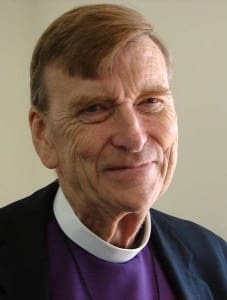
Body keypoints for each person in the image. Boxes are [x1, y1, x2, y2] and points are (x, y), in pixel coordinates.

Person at [0, 4, 226, 300]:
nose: (134, 138)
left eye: (150, 102)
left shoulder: (215, 259)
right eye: (95, 108)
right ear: (44, 136)